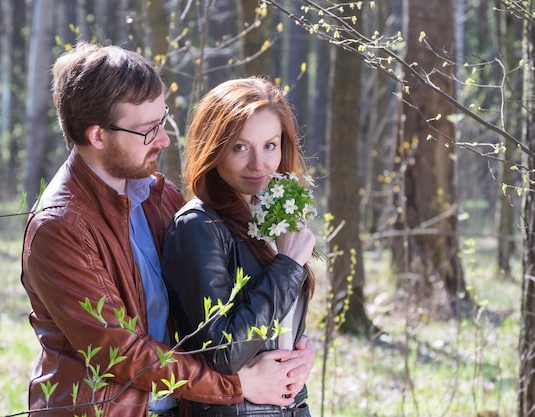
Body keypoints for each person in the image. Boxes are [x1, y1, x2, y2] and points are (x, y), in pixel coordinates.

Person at [20, 43, 314, 417]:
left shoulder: (159, 196)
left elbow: (201, 314)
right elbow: (121, 353)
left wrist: (297, 349)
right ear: (98, 136)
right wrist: (237, 385)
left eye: (163, 122)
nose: (163, 139)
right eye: (148, 130)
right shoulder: (59, 228)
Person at [161, 77, 317, 417]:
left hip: (289, 407)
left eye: (269, 146)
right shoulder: (198, 226)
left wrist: (304, 351)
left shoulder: (272, 216)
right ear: (213, 148)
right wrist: (289, 265)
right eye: (240, 147)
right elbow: (224, 352)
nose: (258, 164)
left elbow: (279, 325)